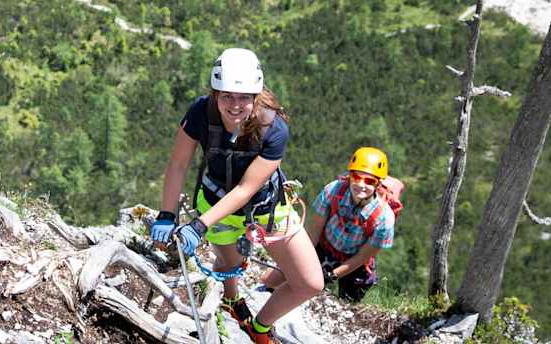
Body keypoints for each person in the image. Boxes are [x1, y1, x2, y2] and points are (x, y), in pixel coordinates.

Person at [150, 48, 323, 344]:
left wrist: (199, 225)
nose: (235, 105)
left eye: (243, 97)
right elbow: (178, 164)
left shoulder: (274, 129)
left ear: (256, 96)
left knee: (310, 283)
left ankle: (260, 325)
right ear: (215, 92)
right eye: (226, 96)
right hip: (215, 202)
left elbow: (246, 189)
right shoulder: (200, 113)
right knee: (228, 266)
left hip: (265, 208)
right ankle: (231, 301)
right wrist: (167, 214)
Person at [262, 146, 396, 302]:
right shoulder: (333, 191)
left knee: (348, 302)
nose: (361, 185)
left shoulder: (384, 219)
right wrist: (298, 262)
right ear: (350, 176)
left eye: (369, 181)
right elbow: (313, 234)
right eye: (356, 177)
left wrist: (332, 275)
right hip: (324, 245)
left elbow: (362, 257)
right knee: (279, 276)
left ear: (378, 184)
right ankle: (264, 290)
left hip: (354, 261)